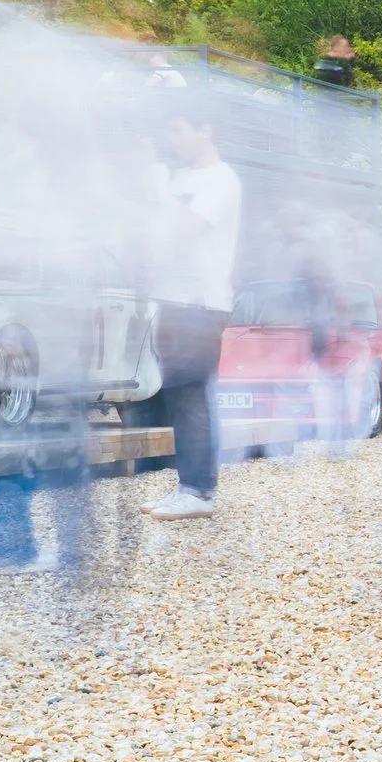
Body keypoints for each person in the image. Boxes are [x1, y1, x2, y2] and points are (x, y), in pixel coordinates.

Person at [147, 111, 242, 519]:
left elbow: (188, 227)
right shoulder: (181, 179)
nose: (173, 139)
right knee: (179, 395)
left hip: (201, 301)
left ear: (208, 127)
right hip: (172, 298)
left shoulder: (221, 179)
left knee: (193, 395)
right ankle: (189, 485)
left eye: (178, 129)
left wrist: (155, 186)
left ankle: (199, 491)